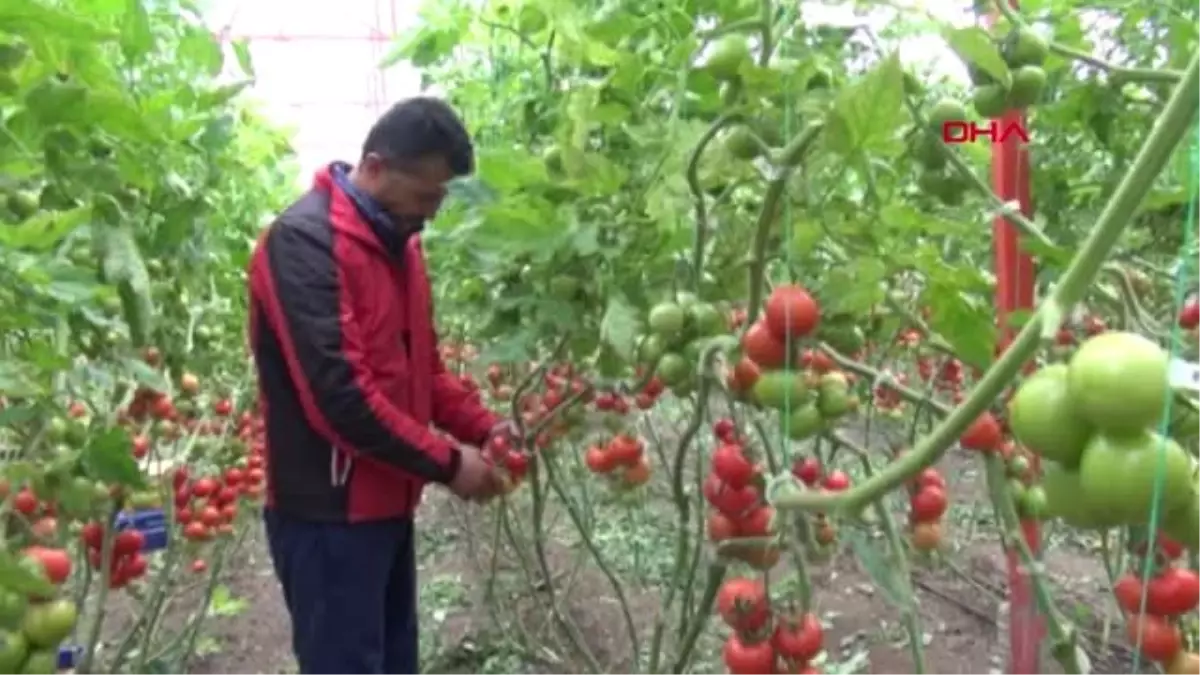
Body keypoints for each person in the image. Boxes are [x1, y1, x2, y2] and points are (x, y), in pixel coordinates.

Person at [245, 97, 510, 675]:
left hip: (388, 502)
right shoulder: (302, 242)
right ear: (374, 167)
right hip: (327, 515)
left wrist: (488, 428)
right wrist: (449, 463)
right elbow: (341, 399)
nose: (433, 212)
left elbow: (427, 372)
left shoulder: (401, 246)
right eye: (426, 195)